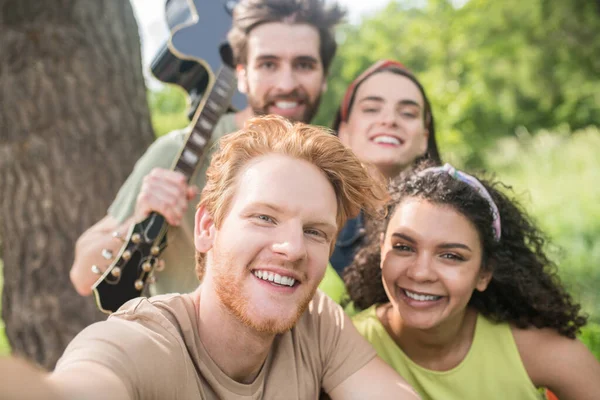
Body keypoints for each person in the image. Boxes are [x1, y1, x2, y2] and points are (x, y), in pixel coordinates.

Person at [0, 116, 421, 400]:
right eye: (263, 217)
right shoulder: (143, 341)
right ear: (206, 228)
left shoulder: (317, 325)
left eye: (314, 232)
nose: (292, 248)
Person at [70, 0, 345, 296]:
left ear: (324, 77)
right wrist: (136, 224)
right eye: (268, 64)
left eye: (303, 65)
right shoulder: (179, 152)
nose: (286, 82)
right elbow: (82, 277)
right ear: (241, 74)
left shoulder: (328, 169)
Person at [345, 162, 600, 399]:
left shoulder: (535, 348)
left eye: (450, 256)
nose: (420, 273)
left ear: (484, 273)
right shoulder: (344, 346)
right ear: (381, 249)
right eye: (403, 247)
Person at [318, 60, 441, 304]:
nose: (389, 120)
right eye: (372, 109)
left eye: (407, 113)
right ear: (344, 131)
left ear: (424, 139)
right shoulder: (314, 220)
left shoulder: (461, 218)